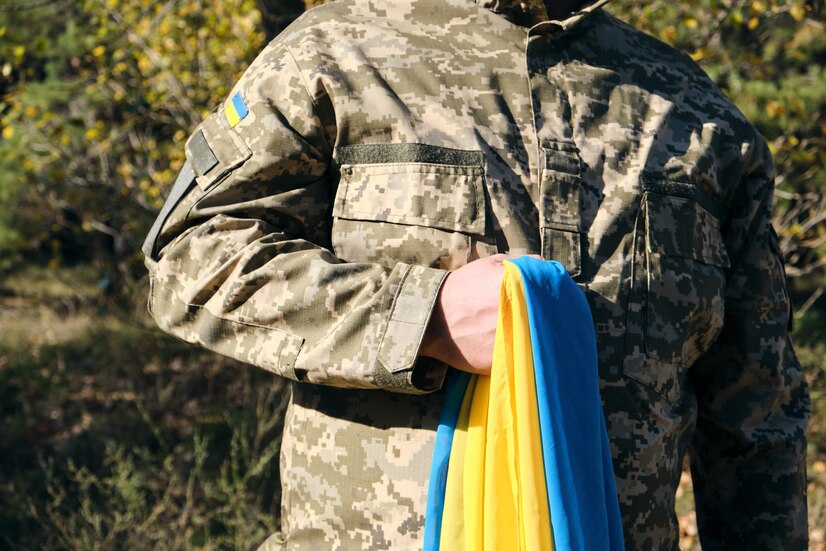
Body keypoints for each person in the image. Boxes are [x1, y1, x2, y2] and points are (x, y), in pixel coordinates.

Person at [142, 0, 811, 548]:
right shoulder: (331, 52)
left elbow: (757, 419)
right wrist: (419, 316)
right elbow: (187, 254)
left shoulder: (698, 116)